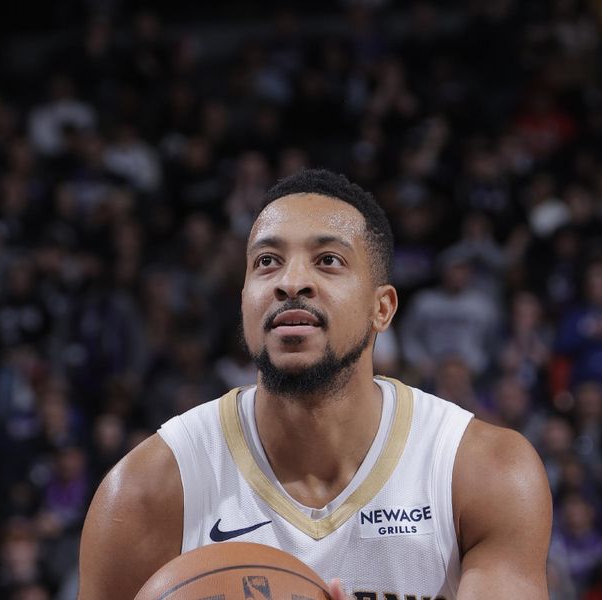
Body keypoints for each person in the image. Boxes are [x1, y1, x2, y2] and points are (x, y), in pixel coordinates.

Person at [78, 169, 552, 599]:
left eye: (328, 260)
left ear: (381, 309)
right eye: (267, 261)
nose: (291, 282)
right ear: (244, 301)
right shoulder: (148, 490)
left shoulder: (483, 472)